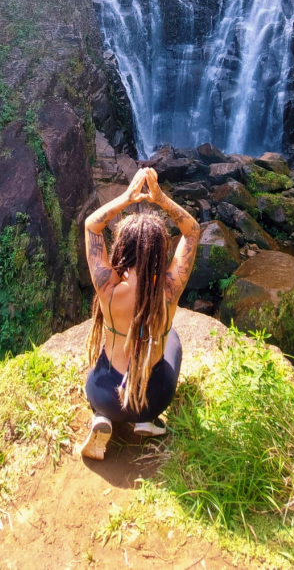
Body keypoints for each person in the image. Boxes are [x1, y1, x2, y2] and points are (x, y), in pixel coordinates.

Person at [80, 167, 201, 460]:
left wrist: (126, 197)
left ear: (122, 248)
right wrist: (160, 198)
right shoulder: (169, 291)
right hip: (153, 397)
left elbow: (91, 226)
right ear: (160, 253)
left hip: (105, 394)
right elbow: (193, 230)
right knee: (171, 338)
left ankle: (103, 418)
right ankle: (145, 421)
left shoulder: (107, 288)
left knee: (106, 355)